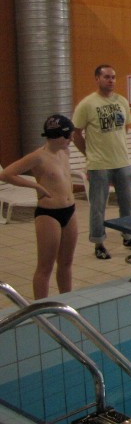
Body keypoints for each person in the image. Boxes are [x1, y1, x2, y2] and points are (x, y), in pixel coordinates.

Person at [0, 115, 78, 298]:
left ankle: (67, 301)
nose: (71, 140)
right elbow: (6, 174)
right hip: (48, 214)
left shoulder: (65, 152)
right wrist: (36, 186)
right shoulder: (38, 157)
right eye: (68, 136)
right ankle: (41, 307)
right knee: (45, 267)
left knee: (66, 263)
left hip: (70, 210)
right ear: (57, 136)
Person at [72, 64, 131, 260]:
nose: (111, 81)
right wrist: (89, 154)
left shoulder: (122, 101)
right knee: (98, 207)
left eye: (113, 77)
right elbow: (76, 133)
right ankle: (98, 243)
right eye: (107, 77)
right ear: (97, 79)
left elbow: (125, 127)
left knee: (127, 204)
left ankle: (129, 236)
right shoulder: (87, 104)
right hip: (99, 164)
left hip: (122, 162)